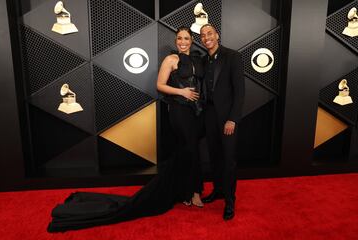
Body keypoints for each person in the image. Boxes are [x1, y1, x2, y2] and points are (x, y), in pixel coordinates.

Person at [47, 27, 204, 233]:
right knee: (189, 149)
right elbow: (160, 85)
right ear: (175, 41)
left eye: (186, 38)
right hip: (178, 111)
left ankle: (186, 190)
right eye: (179, 38)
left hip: (195, 113)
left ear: (191, 41)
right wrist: (181, 92)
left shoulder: (196, 59)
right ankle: (193, 192)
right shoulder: (171, 60)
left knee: (190, 151)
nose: (182, 41)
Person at [199, 24, 245, 220]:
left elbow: (239, 91)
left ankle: (230, 200)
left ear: (217, 35)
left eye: (209, 33)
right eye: (202, 35)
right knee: (215, 157)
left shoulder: (232, 56)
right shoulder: (203, 60)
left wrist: (232, 119)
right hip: (209, 116)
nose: (206, 37)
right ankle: (218, 190)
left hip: (227, 118)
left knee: (228, 160)